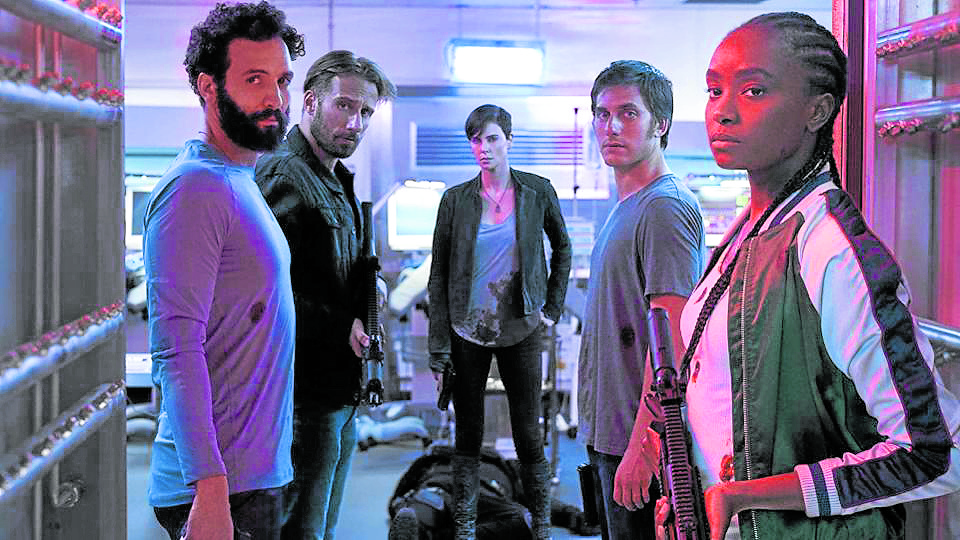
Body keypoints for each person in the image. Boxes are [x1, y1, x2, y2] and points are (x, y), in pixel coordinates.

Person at [653, 12, 960, 540]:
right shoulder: (753, 229)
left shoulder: (831, 247)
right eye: (714, 90)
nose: (722, 112)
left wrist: (746, 496)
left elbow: (934, 452)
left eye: (753, 91)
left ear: (817, 111)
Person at [143, 3, 303, 539]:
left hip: (253, 476)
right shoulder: (195, 187)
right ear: (208, 87)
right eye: (254, 79)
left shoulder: (238, 179)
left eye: (282, 80)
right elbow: (175, 350)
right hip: (221, 489)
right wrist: (210, 489)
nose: (275, 98)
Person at [255, 49, 396, 540]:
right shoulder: (283, 175)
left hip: (339, 389)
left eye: (365, 112)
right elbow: (263, 294)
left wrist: (370, 288)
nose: (355, 123)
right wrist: (340, 325)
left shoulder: (335, 179)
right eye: (344, 106)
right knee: (302, 529)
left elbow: (331, 271)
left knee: (321, 528)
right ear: (311, 102)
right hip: (303, 395)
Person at [427, 104, 572, 540]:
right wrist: (438, 347)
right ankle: (466, 527)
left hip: (520, 326)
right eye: (475, 140)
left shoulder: (537, 191)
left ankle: (541, 526)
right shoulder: (455, 200)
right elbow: (438, 275)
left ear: (509, 139)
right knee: (468, 433)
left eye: (491, 138)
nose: (483, 148)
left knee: (528, 431)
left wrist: (551, 308)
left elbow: (562, 248)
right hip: (466, 329)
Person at [576, 60, 707, 540]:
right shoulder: (626, 208)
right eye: (602, 114)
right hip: (608, 435)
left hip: (639, 443)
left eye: (628, 114)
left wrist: (643, 447)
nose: (611, 127)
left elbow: (671, 342)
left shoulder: (664, 207)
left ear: (661, 124)